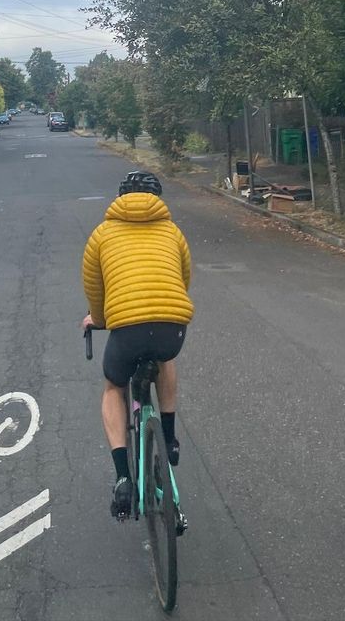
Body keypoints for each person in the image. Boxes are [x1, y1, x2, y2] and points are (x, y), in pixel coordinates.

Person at [81, 171, 193, 518]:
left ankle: (123, 479)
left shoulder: (101, 234)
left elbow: (94, 288)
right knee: (165, 360)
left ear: (120, 197)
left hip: (127, 330)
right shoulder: (173, 232)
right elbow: (183, 278)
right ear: (158, 199)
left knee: (114, 387)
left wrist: (98, 319)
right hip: (171, 325)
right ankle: (169, 439)